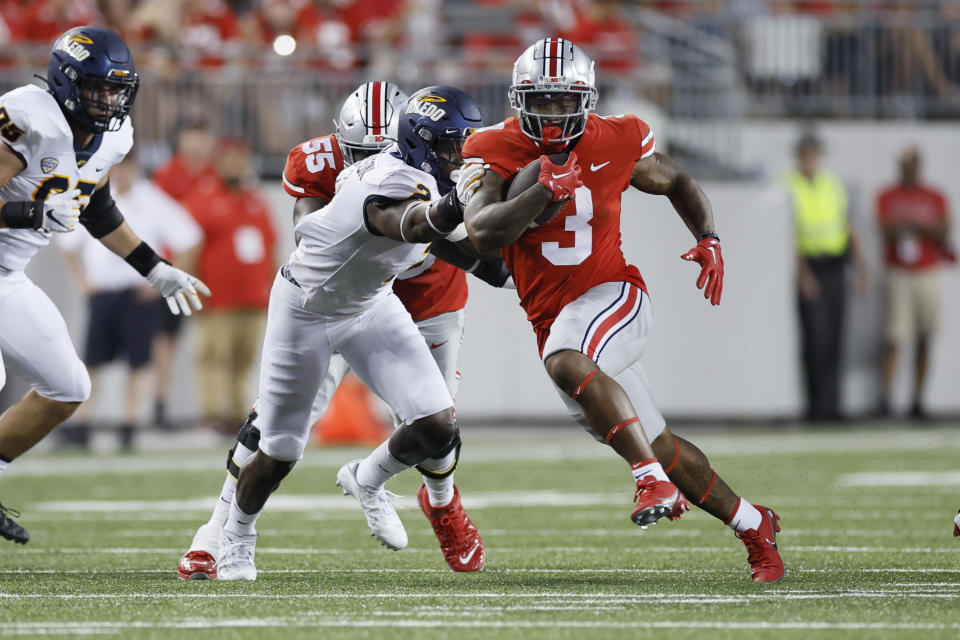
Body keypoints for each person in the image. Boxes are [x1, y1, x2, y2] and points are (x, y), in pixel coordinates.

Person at [457, 38, 785, 582]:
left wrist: (708, 236)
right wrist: (542, 192)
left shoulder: (618, 136)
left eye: (566, 101)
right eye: (543, 99)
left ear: (587, 99)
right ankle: (754, 524)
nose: (555, 112)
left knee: (567, 359)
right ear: (520, 99)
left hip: (615, 297)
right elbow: (483, 231)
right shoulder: (495, 147)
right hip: (558, 319)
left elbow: (675, 178)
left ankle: (648, 478)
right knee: (657, 442)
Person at [178, 81, 507, 580]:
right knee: (280, 443)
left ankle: (369, 480)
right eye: (448, 148)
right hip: (310, 307)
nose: (458, 157)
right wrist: (459, 204)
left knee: (438, 422)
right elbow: (412, 222)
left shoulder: (422, 171)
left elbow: (488, 263)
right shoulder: (386, 177)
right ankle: (232, 534)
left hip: (373, 300)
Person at [0, 26, 209, 544]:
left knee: (69, 387)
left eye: (116, 89)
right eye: (97, 88)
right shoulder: (27, 117)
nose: (108, 99)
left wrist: (153, 267)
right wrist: (30, 212)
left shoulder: (114, 135)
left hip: (7, 276)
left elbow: (95, 206)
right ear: (65, 81)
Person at [57, 153, 203, 450]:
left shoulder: (152, 200)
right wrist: (81, 281)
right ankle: (83, 422)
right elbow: (67, 242)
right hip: (103, 292)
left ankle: (130, 422)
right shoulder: (94, 196)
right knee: (92, 360)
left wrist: (162, 277)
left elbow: (189, 236)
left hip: (137, 292)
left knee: (139, 361)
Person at [181, 138, 277, 432]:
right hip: (216, 301)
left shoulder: (256, 201)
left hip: (252, 300)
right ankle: (212, 416)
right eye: (230, 159)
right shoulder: (202, 199)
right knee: (213, 360)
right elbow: (187, 250)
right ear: (219, 163)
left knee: (242, 362)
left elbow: (270, 249)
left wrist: (272, 290)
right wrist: (191, 291)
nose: (235, 165)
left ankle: (236, 416)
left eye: (241, 159)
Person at [786, 133, 868, 422]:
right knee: (815, 339)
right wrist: (803, 274)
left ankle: (833, 405)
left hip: (835, 266)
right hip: (812, 267)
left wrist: (861, 268)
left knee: (835, 336)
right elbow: (790, 236)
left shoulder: (831, 185)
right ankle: (816, 406)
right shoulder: (790, 186)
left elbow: (847, 226)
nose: (810, 161)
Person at [875, 147, 952, 420]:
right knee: (894, 338)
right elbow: (886, 228)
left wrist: (910, 226)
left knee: (925, 337)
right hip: (899, 272)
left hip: (927, 271)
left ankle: (918, 400)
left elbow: (943, 229)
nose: (908, 168)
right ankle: (885, 400)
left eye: (912, 163)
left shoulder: (934, 195)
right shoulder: (888, 194)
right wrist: (922, 227)